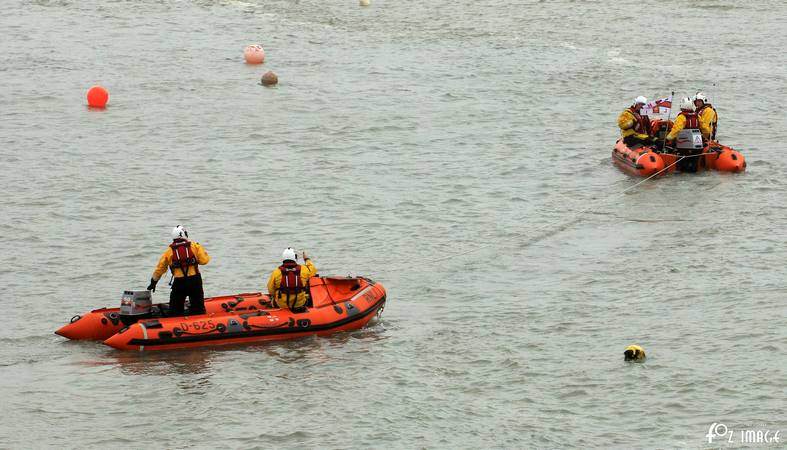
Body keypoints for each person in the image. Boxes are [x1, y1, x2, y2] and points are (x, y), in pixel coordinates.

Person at [147, 225, 210, 316]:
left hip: (179, 283)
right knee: (198, 309)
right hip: (195, 281)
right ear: (185, 234)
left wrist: (153, 282)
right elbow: (204, 261)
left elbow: (160, 269)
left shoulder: (169, 251)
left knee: (175, 310)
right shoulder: (195, 246)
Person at [267, 248, 317, 313]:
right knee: (307, 292)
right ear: (295, 257)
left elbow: (270, 290)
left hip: (281, 304)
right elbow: (313, 269)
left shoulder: (276, 272)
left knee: (274, 296)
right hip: (299, 303)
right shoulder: (304, 270)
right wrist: (306, 259)